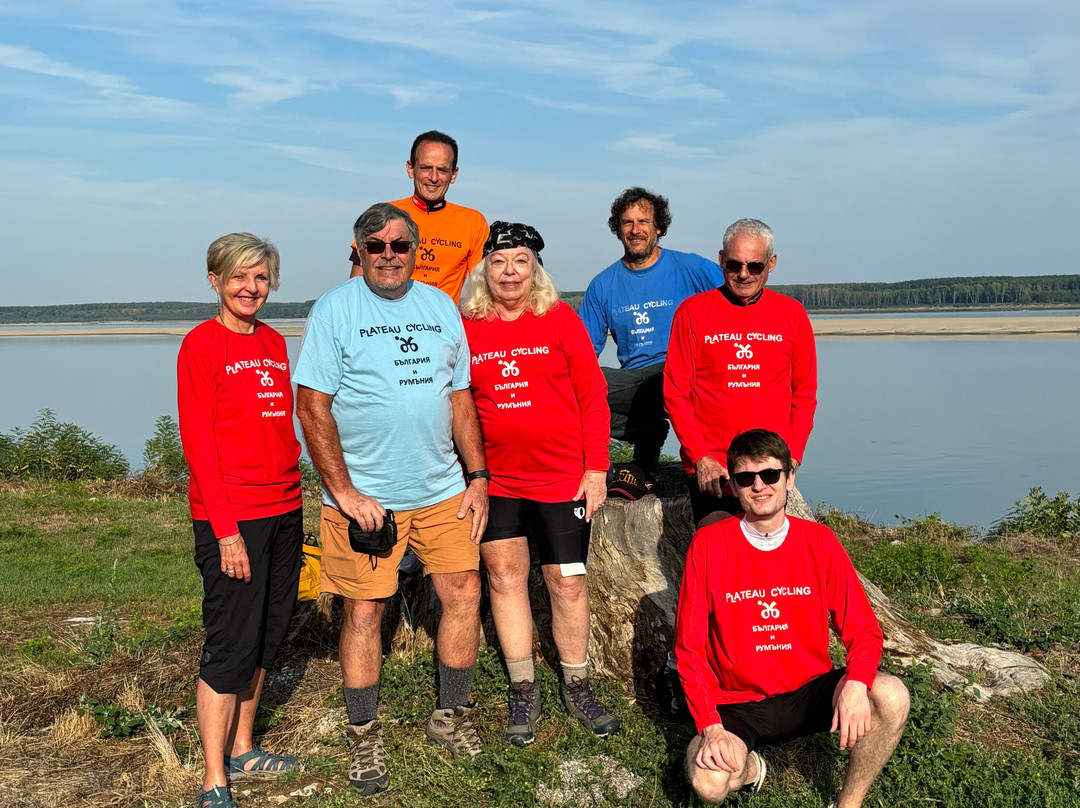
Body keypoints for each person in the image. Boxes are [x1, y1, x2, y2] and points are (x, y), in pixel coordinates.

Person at [295, 202, 489, 796]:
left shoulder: (439, 307)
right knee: (364, 611)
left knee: (463, 593)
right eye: (374, 245)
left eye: (399, 245)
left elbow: (459, 399)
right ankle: (363, 731)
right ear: (358, 250)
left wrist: (477, 476)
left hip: (441, 491)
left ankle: (450, 714)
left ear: (414, 251)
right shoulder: (335, 309)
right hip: (365, 502)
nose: (387, 254)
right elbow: (312, 405)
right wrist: (345, 492)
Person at [675, 429, 909, 807]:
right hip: (738, 703)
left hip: (809, 690)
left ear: (789, 478)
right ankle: (751, 768)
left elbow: (864, 631)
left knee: (892, 695)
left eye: (770, 475)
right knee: (708, 784)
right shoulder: (709, 545)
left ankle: (849, 803)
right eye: (746, 478)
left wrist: (854, 684)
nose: (760, 486)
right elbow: (688, 648)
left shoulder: (819, 541)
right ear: (733, 486)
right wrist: (710, 725)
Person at [461, 221, 621, 746]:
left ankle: (576, 681)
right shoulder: (468, 327)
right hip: (498, 481)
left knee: (567, 581)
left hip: (561, 479)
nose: (510, 272)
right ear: (486, 269)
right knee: (505, 577)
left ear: (536, 269)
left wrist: (596, 467)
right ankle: (523, 685)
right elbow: (454, 403)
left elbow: (594, 397)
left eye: (521, 262)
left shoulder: (559, 320)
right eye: (500, 262)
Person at [177, 233, 304, 808]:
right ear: (215, 282)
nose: (250, 288)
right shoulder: (200, 346)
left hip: (284, 507)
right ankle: (214, 779)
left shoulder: (275, 341)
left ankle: (245, 747)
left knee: (267, 634)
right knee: (229, 644)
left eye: (260, 277)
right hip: (233, 516)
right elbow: (199, 445)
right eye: (238, 277)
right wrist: (226, 531)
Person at [664, 218, 817, 528]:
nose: (744, 274)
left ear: (771, 263)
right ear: (721, 260)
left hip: (769, 465)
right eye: (734, 264)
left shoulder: (792, 314)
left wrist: (793, 457)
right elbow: (675, 393)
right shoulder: (692, 312)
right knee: (718, 550)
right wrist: (700, 457)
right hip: (714, 469)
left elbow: (804, 395)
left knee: (768, 554)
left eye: (755, 266)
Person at [579, 187, 722, 494]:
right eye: (627, 222)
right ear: (618, 229)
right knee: (567, 382)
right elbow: (583, 355)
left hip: (686, 374)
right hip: (639, 385)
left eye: (643, 221)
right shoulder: (603, 285)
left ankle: (644, 452)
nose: (635, 230)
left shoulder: (694, 269)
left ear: (659, 227)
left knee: (666, 375)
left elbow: (735, 302)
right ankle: (647, 430)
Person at [348, 130, 488, 302]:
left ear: (454, 175)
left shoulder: (473, 221)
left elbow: (483, 289)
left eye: (442, 170)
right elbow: (355, 286)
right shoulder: (383, 214)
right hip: (386, 320)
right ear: (410, 169)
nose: (434, 177)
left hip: (441, 323)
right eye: (426, 168)